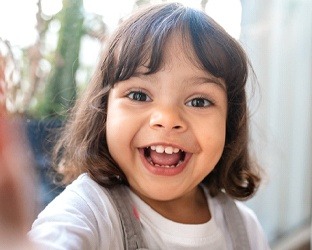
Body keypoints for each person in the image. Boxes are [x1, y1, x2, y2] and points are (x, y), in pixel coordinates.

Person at [28, 2, 271, 249]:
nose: (167, 119)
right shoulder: (90, 210)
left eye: (199, 101)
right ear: (104, 110)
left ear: (229, 122)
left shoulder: (245, 230)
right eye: (139, 96)